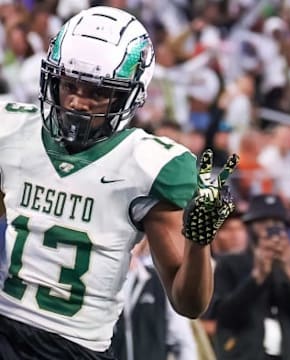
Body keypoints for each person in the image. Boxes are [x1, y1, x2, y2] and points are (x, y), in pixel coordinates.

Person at [0, 6, 239, 360]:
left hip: (75, 347)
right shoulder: (13, 131)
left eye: (97, 92)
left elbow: (189, 304)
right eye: (69, 84)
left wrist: (198, 244)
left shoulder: (148, 165)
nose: (78, 101)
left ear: (130, 94)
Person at [207, 194, 290, 360]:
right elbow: (224, 316)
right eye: (263, 222)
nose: (270, 227)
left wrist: (289, 272)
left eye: (277, 223)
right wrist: (256, 277)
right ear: (250, 226)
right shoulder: (230, 264)